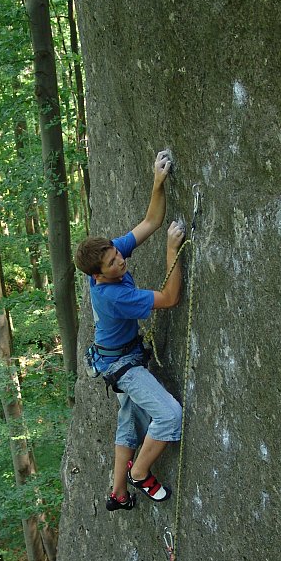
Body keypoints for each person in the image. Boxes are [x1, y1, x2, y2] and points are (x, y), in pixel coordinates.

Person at [74, 150, 185, 511]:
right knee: (169, 415)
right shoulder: (112, 295)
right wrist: (173, 250)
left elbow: (151, 221)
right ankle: (140, 472)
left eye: (117, 254)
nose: (120, 261)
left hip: (115, 357)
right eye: (112, 262)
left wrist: (158, 180)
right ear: (97, 275)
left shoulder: (110, 257)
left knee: (128, 421)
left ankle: (118, 493)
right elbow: (169, 298)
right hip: (123, 366)